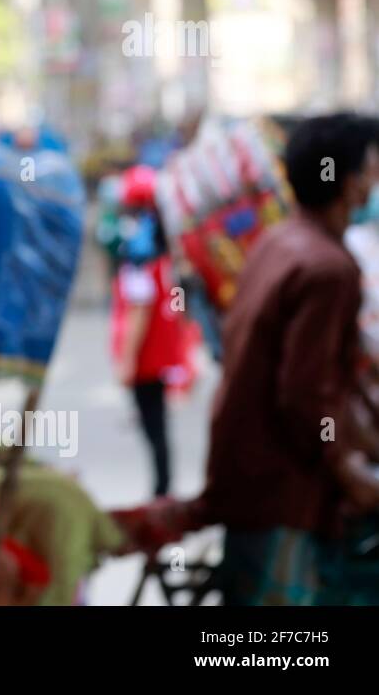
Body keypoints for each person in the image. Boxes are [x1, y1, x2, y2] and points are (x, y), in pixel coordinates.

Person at [199, 112, 379, 604]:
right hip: (283, 493)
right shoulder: (328, 269)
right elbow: (306, 397)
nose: (374, 180)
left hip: (246, 477)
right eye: (369, 168)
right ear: (346, 181)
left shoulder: (279, 241)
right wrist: (348, 470)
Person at [110, 165, 189, 497]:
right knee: (158, 428)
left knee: (154, 428)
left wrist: (127, 359)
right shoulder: (162, 242)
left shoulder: (139, 247)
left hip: (146, 359)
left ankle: (161, 493)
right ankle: (163, 490)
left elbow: (138, 310)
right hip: (162, 353)